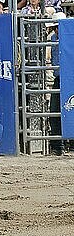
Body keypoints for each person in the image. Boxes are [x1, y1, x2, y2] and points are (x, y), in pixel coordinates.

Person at [47, 12, 68, 155]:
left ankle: (66, 145)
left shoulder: (68, 37)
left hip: (69, 78)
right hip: (60, 78)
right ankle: (57, 145)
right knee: (54, 111)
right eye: (55, 27)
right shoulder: (53, 38)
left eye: (57, 26)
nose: (56, 30)